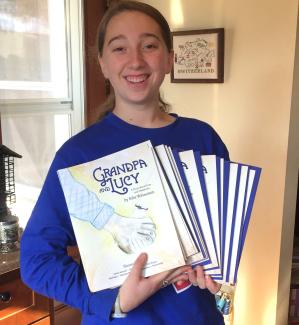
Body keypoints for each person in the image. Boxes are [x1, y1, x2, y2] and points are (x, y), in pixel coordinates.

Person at [20, 1, 229, 324]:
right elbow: (36, 260)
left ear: (170, 58)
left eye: (149, 45)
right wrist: (113, 300)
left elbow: (221, 240)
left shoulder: (204, 139)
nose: (135, 60)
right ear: (102, 63)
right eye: (119, 48)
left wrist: (218, 274)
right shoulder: (77, 155)